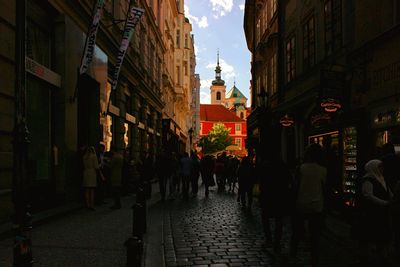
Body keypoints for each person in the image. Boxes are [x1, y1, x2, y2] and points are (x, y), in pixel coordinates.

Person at [290, 143, 327, 267]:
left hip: (301, 203)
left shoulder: (300, 168)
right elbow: (324, 188)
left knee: (296, 231)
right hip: (317, 205)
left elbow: (295, 187)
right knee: (315, 235)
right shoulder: (323, 170)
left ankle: (292, 254)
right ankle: (314, 260)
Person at [358, 159, 393, 267]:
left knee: (382, 233)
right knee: (375, 233)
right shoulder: (368, 180)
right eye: (380, 167)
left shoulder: (381, 178)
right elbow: (369, 196)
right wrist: (384, 203)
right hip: (373, 212)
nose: (382, 169)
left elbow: (388, 191)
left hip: (381, 211)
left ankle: (381, 256)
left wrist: (391, 199)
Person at [258, 153, 292, 253]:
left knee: (265, 218)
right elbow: (289, 181)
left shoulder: (265, 166)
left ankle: (269, 239)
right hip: (280, 196)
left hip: (268, 195)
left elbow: (261, 181)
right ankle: (277, 242)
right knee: (279, 220)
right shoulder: (283, 166)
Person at [82, 146, 104, 210]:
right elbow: (96, 166)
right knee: (91, 190)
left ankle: (87, 204)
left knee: (87, 190)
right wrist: (101, 165)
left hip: (86, 173)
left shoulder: (84, 157)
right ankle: (91, 205)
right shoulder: (93, 156)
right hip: (92, 173)